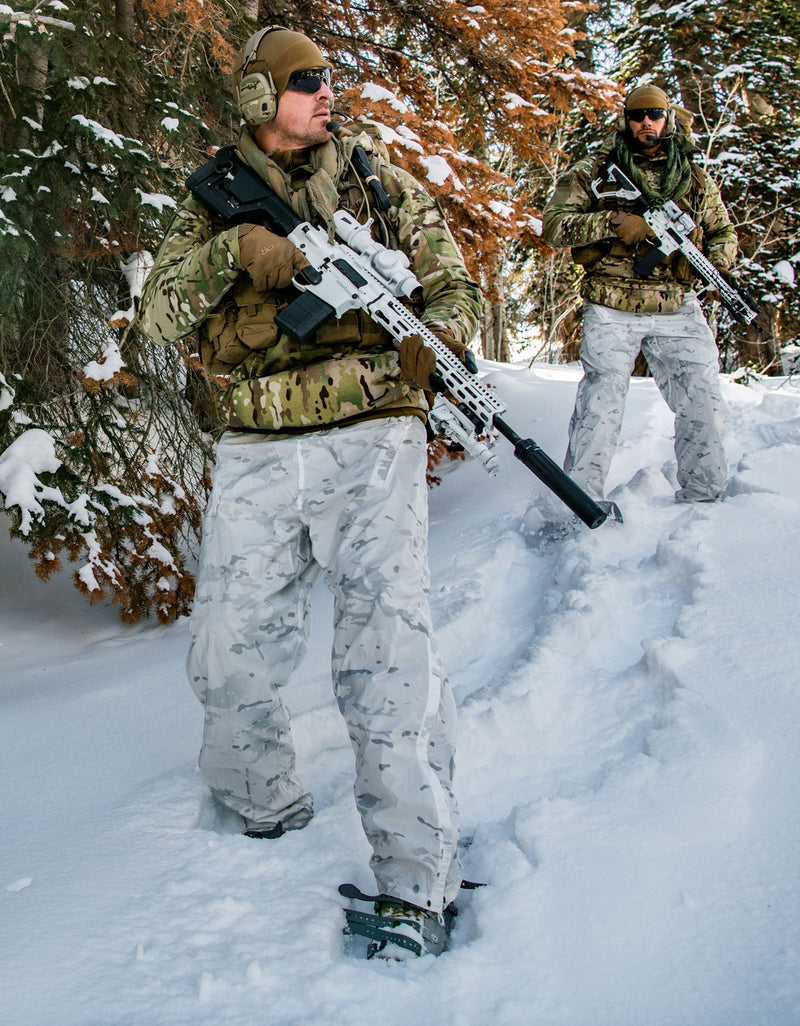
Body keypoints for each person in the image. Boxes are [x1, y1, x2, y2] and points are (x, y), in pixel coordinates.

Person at [138, 26, 482, 958]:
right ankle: (257, 803)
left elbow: (454, 288)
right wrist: (236, 253)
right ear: (259, 98)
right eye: (307, 81)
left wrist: (431, 342)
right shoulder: (211, 199)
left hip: (372, 435)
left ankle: (417, 878)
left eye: (331, 79)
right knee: (229, 643)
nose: (328, 93)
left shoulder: (375, 181)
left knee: (383, 653)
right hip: (256, 443)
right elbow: (158, 315)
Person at [542, 83, 739, 505]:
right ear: (626, 120)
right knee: (601, 405)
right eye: (637, 115)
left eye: (654, 114)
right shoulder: (595, 170)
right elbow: (555, 226)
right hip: (611, 304)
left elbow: (723, 231)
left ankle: (706, 498)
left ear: (668, 118)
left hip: (676, 305)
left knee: (703, 398)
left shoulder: (691, 177)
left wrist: (713, 262)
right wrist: (613, 222)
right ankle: (580, 503)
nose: (645, 122)